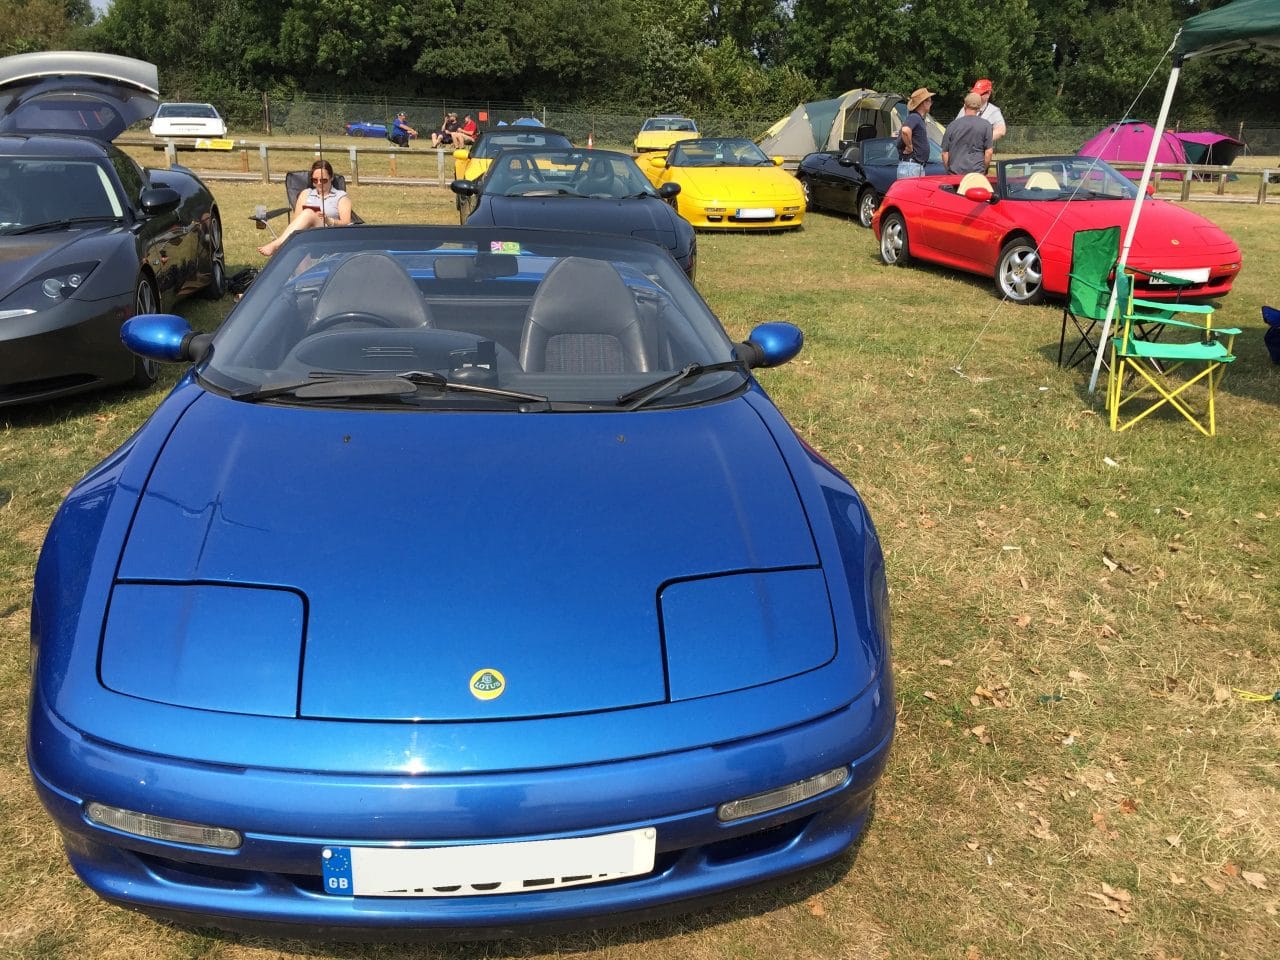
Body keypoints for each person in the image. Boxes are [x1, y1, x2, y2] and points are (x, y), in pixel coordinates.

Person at [256, 159, 352, 257]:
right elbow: (297, 220)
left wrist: (329, 220)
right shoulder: (306, 194)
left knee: (309, 212)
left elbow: (347, 222)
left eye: (323, 180)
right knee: (307, 216)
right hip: (306, 236)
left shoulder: (340, 196)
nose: (319, 183)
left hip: (329, 235)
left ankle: (278, 244)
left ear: (331, 178)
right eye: (315, 180)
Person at [941, 92, 993, 175]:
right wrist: (983, 169)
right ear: (979, 108)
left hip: (955, 174)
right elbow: (989, 152)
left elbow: (944, 153)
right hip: (977, 173)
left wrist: (949, 170)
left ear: (964, 105)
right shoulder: (986, 125)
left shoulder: (952, 125)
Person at [897, 87, 934, 179]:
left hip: (913, 166)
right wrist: (910, 147)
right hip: (911, 166)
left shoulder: (916, 118)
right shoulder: (914, 117)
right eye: (929, 101)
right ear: (923, 103)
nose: (931, 103)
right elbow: (905, 130)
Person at [960, 78, 1006, 143]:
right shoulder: (966, 107)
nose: (976, 96)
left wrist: (980, 140)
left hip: (980, 151)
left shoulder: (994, 111)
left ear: (988, 94)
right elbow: (955, 127)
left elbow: (1001, 131)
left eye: (979, 93)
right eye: (975, 93)